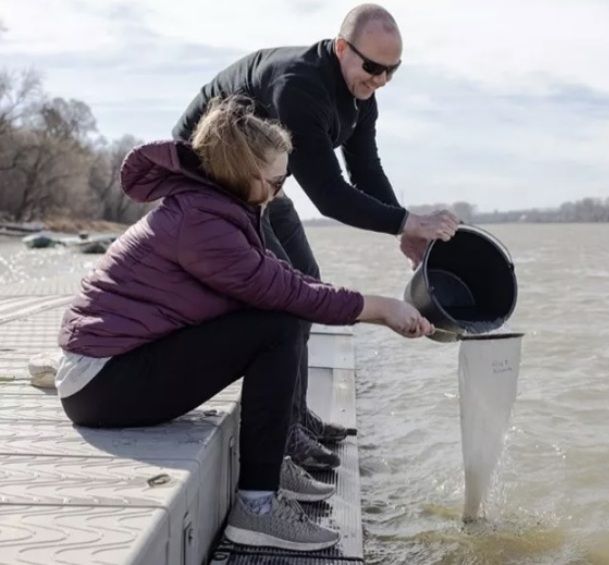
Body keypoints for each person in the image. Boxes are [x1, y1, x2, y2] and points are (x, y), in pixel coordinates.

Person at [56, 96, 434, 551]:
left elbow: (281, 281)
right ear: (244, 173)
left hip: (111, 371)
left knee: (280, 317)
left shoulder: (217, 207)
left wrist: (373, 305)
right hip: (100, 384)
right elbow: (288, 293)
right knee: (278, 326)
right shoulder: (202, 223)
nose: (279, 191)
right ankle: (256, 508)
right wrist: (381, 309)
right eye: (276, 181)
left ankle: (272, 465)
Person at [172, 4, 459, 471]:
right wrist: (407, 222)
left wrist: (400, 230)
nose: (381, 79)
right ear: (342, 48)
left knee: (307, 279)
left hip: (261, 182)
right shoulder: (300, 87)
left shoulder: (362, 96)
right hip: (210, 178)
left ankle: (296, 415)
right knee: (290, 295)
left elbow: (365, 171)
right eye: (372, 67)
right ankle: (283, 433)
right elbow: (329, 196)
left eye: (392, 70)